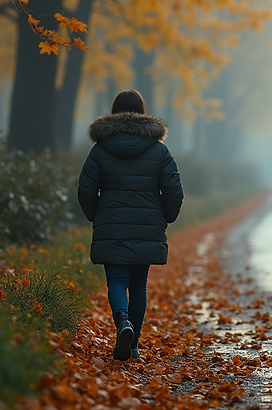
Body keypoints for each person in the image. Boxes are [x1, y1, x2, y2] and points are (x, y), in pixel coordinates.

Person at [78, 89, 184, 361]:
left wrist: (96, 216)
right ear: (143, 112)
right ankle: (133, 342)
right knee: (138, 286)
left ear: (113, 112)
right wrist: (166, 217)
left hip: (111, 226)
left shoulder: (100, 150)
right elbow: (174, 192)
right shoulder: (159, 151)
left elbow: (86, 190)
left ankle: (122, 320)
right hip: (147, 227)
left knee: (116, 280)